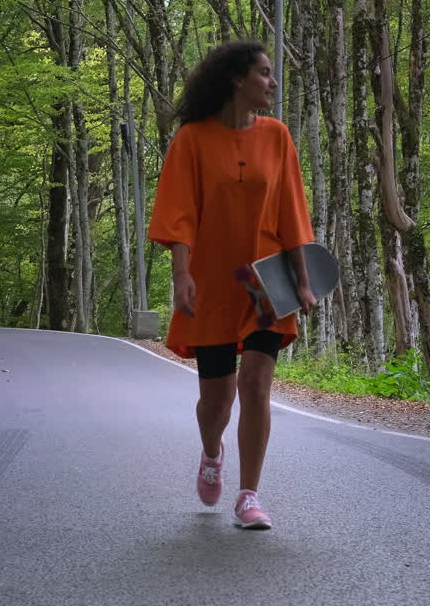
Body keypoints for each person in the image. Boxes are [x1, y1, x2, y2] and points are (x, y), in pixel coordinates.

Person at [147, 40, 317, 530]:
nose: (273, 82)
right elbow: (179, 212)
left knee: (256, 384)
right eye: (265, 73)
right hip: (213, 284)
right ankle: (210, 451)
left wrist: (303, 282)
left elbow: (292, 213)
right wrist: (182, 275)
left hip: (266, 281)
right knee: (216, 401)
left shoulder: (277, 137)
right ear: (237, 80)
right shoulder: (193, 139)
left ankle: (249, 496)